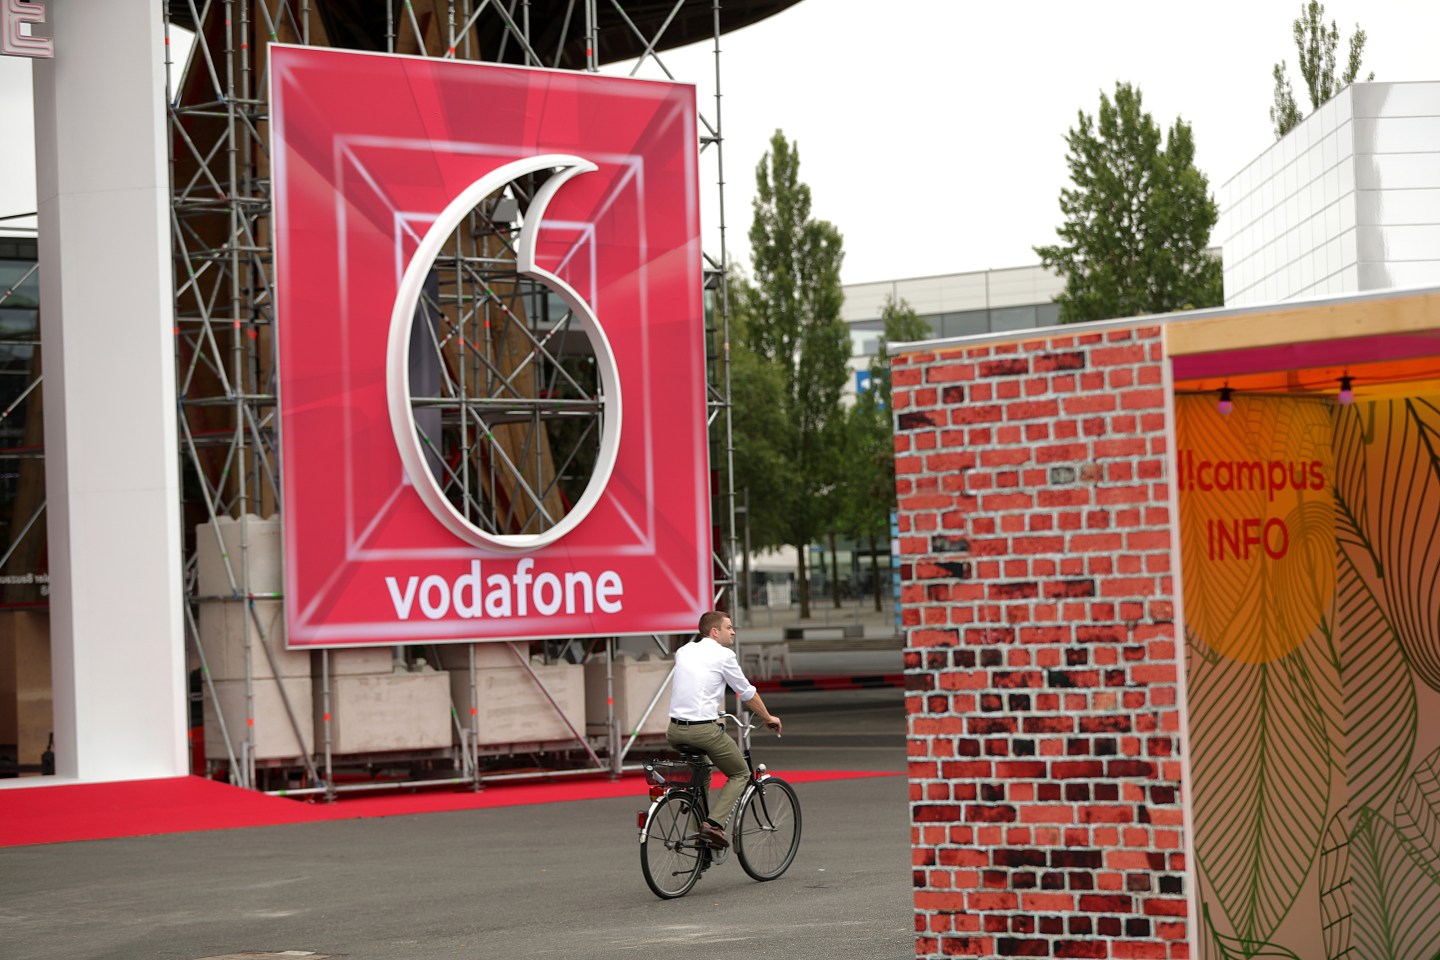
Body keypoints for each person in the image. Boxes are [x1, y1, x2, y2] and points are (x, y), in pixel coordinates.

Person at [667, 609, 782, 849]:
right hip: (702, 730)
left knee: (702, 773)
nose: (733, 632)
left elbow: (695, 685)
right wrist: (768, 716)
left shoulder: (684, 651)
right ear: (714, 631)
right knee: (741, 773)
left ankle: (696, 835)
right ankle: (712, 825)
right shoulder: (724, 655)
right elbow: (746, 692)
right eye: (729, 627)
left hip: (675, 730)